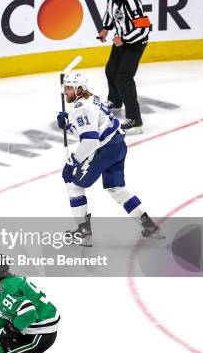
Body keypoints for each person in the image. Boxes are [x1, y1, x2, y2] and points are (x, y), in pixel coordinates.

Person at [57, 71, 163, 246]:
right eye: (65, 87)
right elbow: (95, 126)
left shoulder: (80, 108)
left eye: (69, 88)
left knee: (73, 184)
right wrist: (69, 124)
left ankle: (83, 232)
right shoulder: (93, 98)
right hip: (118, 146)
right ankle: (150, 226)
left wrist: (73, 162)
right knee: (117, 188)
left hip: (103, 151)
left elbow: (90, 140)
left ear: (79, 90)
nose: (65, 91)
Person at [97, 0, 151, 135]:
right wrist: (106, 28)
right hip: (121, 39)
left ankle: (135, 120)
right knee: (111, 70)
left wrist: (125, 39)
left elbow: (144, 28)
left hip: (135, 43)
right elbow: (109, 11)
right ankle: (115, 101)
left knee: (124, 78)